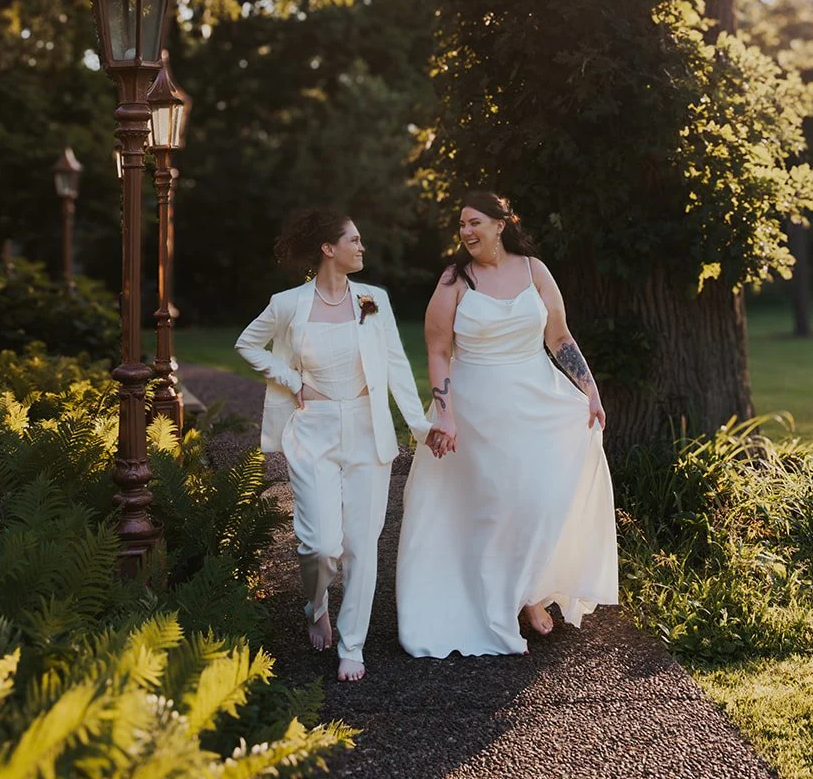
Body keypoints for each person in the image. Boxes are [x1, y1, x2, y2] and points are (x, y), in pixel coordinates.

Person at [396, 190, 618, 657]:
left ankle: (530, 589)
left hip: (537, 402)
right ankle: (513, 598)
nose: (467, 232)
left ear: (501, 224)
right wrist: (446, 413)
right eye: (462, 225)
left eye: (475, 222)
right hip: (477, 408)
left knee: (541, 496)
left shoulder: (535, 270)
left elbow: (559, 337)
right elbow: (437, 352)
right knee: (496, 505)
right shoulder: (454, 281)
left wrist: (590, 390)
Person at [235, 207, 445, 681]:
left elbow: (394, 364)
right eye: (353, 240)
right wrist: (290, 379)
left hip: (368, 432)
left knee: (361, 546)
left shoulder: (371, 300)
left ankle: (353, 643)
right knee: (319, 544)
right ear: (328, 249)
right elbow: (247, 344)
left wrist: (420, 425)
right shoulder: (288, 303)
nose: (361, 247)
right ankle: (316, 605)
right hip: (313, 430)